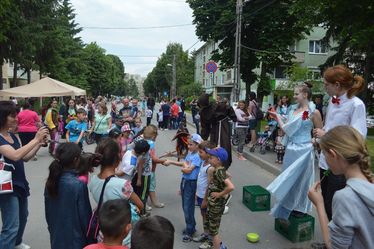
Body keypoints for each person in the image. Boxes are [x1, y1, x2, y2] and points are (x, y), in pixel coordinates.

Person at [313, 65, 367, 221]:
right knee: (327, 201)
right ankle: (329, 240)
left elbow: (357, 138)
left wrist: (326, 135)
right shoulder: (332, 101)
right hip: (326, 160)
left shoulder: (356, 104)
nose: (324, 88)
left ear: (337, 85)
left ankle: (338, 242)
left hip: (341, 164)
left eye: (326, 84)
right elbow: (330, 127)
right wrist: (319, 138)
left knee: (336, 205)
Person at [308, 126, 374, 249]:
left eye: (324, 154)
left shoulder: (345, 198)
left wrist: (319, 204)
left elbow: (333, 246)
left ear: (333, 154)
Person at [267, 83, 323, 220]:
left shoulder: (314, 112)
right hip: (291, 149)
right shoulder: (293, 111)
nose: (294, 96)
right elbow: (288, 127)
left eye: (296, 94)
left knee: (303, 181)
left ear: (305, 94)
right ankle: (288, 205)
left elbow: (321, 133)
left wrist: (314, 142)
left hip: (304, 150)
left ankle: (300, 207)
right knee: (289, 178)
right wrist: (277, 116)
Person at [0, 101, 48, 249]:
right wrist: (35, 139)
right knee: (11, 225)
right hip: (6, 186)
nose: (16, 119)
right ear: (2, 117)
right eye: (12, 116)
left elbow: (24, 157)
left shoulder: (13, 136)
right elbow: (14, 155)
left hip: (19, 182)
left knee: (23, 216)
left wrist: (39, 144)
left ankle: (16, 243)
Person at [88, 138, 144, 245]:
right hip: (122, 236)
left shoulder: (93, 180)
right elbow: (140, 205)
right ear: (117, 160)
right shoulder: (122, 185)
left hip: (103, 234)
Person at [44, 143, 92, 249]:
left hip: (56, 234)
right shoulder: (78, 184)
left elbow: (48, 211)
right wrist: (90, 239)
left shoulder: (51, 181)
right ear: (76, 160)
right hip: (75, 239)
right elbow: (85, 216)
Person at [164, 134, 203, 242]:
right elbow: (184, 165)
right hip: (185, 181)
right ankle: (191, 226)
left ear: (198, 145)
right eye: (188, 144)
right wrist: (172, 161)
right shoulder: (190, 154)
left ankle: (190, 231)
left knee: (188, 207)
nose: (189, 146)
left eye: (191, 144)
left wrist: (183, 167)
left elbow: (188, 170)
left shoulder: (197, 156)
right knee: (185, 205)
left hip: (191, 183)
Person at [204, 147, 235, 249]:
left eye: (212, 157)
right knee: (213, 229)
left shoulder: (218, 172)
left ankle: (216, 247)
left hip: (216, 206)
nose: (209, 159)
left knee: (213, 231)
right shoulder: (219, 170)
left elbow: (231, 186)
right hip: (214, 205)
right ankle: (220, 246)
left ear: (219, 160)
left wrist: (219, 194)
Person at [198, 93, 237, 169]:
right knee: (220, 146)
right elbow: (228, 108)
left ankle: (221, 167)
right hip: (220, 128)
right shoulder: (217, 106)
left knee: (219, 146)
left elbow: (205, 127)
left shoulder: (207, 110)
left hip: (220, 128)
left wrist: (203, 138)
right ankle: (220, 166)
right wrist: (233, 117)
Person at [193, 141, 216, 248]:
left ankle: (210, 240)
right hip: (201, 195)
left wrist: (205, 200)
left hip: (205, 197)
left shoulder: (210, 167)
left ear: (208, 154)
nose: (199, 154)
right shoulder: (203, 163)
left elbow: (209, 185)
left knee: (208, 218)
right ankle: (206, 234)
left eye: (201, 152)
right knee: (203, 216)